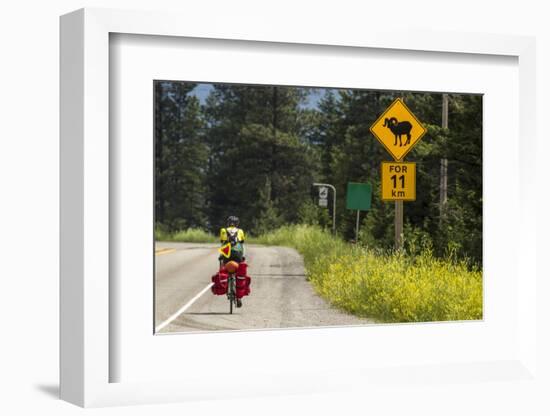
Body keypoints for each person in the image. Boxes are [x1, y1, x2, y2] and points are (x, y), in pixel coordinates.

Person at [219, 216, 247, 307]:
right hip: (238, 253)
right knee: (239, 271)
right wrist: (243, 256)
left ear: (228, 223)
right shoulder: (240, 231)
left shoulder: (223, 230)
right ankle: (238, 298)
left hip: (227, 252)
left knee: (223, 266)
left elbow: (223, 243)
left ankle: (224, 282)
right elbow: (242, 244)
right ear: (237, 224)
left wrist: (221, 256)